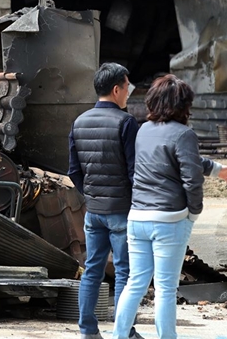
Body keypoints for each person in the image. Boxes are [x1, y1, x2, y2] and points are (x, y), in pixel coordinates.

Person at [111, 74, 227, 339]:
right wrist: (193, 214)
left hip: (137, 218)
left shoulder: (143, 131)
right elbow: (191, 179)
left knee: (135, 284)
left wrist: (218, 169)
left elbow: (176, 159)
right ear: (183, 105)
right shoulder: (184, 134)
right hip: (169, 221)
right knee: (165, 289)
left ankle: (118, 335)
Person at [68, 62, 143, 339]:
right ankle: (124, 331)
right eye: (127, 88)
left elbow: (74, 170)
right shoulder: (126, 123)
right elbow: (134, 172)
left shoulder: (79, 122)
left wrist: (90, 195)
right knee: (124, 272)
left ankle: (88, 332)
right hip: (121, 211)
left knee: (91, 271)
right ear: (116, 89)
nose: (128, 93)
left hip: (93, 211)